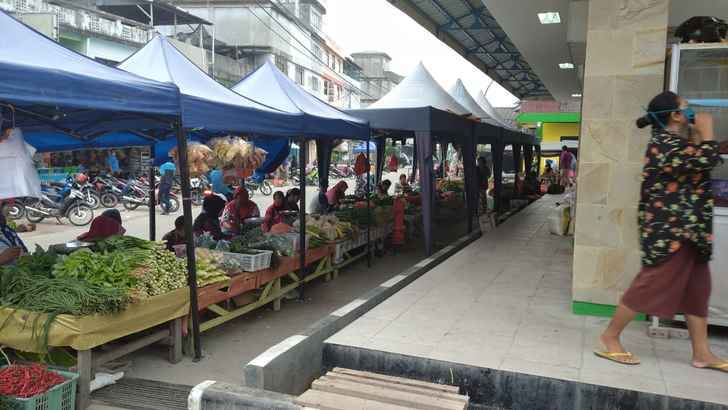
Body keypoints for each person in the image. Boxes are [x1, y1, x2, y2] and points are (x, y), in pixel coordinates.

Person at [597, 91, 727, 372]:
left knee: (697, 291)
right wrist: (707, 131)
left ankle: (702, 352)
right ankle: (610, 337)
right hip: (671, 233)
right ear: (676, 115)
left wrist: (700, 136)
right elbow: (704, 159)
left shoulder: (678, 143)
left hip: (691, 232)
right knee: (651, 283)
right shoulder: (663, 145)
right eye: (686, 108)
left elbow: (701, 157)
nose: (691, 111)